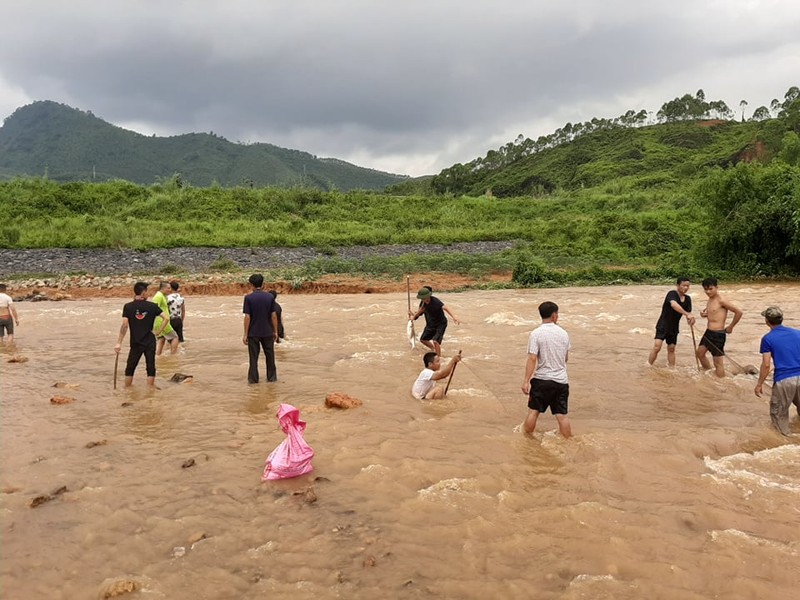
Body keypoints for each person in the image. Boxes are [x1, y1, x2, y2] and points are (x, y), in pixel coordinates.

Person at [521, 301, 572, 438]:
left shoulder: (536, 334)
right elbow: (565, 358)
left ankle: (527, 441)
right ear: (554, 315)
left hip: (542, 380)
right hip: (561, 381)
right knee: (562, 416)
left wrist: (526, 381)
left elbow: (532, 358)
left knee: (533, 413)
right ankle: (569, 442)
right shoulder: (564, 334)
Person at [754, 306, 800, 436]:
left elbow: (766, 364)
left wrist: (759, 384)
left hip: (784, 380)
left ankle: (785, 444)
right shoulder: (798, 333)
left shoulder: (767, 339)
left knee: (779, 417)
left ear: (767, 321)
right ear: (782, 319)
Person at [114, 282, 168, 387]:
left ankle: (127, 390)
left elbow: (124, 325)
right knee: (150, 366)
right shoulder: (152, 306)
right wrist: (158, 332)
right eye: (147, 291)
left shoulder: (128, 307)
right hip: (150, 341)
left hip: (135, 342)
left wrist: (118, 343)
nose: (148, 294)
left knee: (130, 367)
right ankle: (150, 391)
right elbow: (166, 318)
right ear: (143, 293)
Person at [696, 277, 743, 377]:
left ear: (716, 287)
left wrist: (731, 327)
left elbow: (738, 312)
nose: (708, 291)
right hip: (708, 332)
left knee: (718, 363)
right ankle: (708, 372)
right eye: (705, 289)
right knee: (700, 353)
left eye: (710, 289)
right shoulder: (710, 299)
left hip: (718, 335)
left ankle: (721, 384)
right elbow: (714, 313)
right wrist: (704, 314)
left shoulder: (721, 300)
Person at [648, 277, 696, 367]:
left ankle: (672, 368)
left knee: (671, 348)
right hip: (663, 324)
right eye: (684, 285)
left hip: (674, 327)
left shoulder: (688, 299)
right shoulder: (672, 294)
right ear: (678, 285)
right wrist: (686, 314)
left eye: (688, 286)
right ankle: (648, 365)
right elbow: (674, 305)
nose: (686, 288)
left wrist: (691, 319)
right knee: (657, 346)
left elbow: (689, 313)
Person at [243, 274, 279, 383]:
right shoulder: (270, 297)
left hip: (253, 333)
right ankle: (272, 379)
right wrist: (275, 331)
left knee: (253, 359)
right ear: (263, 284)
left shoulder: (248, 298)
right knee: (270, 357)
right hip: (267, 332)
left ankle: (253, 380)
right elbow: (273, 315)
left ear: (251, 285)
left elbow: (247, 317)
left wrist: (245, 334)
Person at [409, 286, 460, 356]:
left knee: (435, 341)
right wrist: (412, 316)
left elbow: (445, 307)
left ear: (429, 296)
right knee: (423, 339)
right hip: (430, 324)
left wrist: (454, 317)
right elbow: (419, 313)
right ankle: (433, 349)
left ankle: (438, 357)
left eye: (426, 298)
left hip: (440, 324)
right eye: (423, 299)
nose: (425, 300)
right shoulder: (422, 304)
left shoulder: (435, 301)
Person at [152, 281, 179, 355]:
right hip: (162, 321)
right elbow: (153, 308)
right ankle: (173, 355)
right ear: (163, 288)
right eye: (168, 288)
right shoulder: (158, 296)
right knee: (175, 337)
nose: (170, 290)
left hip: (160, 322)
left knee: (161, 339)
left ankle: (157, 356)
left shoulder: (162, 296)